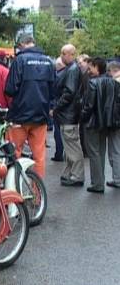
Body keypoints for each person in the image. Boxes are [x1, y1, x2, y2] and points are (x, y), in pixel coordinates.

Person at [5, 35, 55, 179]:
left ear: (21, 44)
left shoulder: (19, 60)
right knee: (39, 154)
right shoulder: (49, 61)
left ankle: (14, 185)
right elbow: (54, 90)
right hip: (41, 116)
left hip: (19, 115)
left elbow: (10, 89)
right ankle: (37, 188)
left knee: (14, 152)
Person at [81, 57, 120, 193]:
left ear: (97, 67)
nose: (89, 70)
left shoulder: (92, 83)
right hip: (106, 123)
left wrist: (83, 118)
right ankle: (99, 181)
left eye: (91, 67)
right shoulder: (113, 83)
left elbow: (89, 106)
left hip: (93, 123)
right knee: (101, 152)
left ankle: (97, 183)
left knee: (94, 153)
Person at [53, 44, 85, 187]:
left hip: (68, 115)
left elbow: (69, 93)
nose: (61, 55)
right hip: (69, 114)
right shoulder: (73, 69)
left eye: (63, 53)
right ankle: (71, 173)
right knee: (70, 147)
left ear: (71, 54)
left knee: (72, 147)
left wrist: (56, 108)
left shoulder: (72, 70)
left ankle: (77, 176)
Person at [50, 57, 66, 162]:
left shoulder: (58, 76)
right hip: (66, 109)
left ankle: (59, 153)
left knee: (58, 132)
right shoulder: (68, 74)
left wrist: (53, 108)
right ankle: (61, 153)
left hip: (58, 107)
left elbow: (53, 93)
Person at [77, 54, 91, 157]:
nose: (79, 64)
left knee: (84, 130)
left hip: (85, 105)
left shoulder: (86, 75)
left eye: (80, 62)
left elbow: (85, 91)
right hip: (85, 105)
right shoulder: (85, 73)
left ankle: (85, 150)